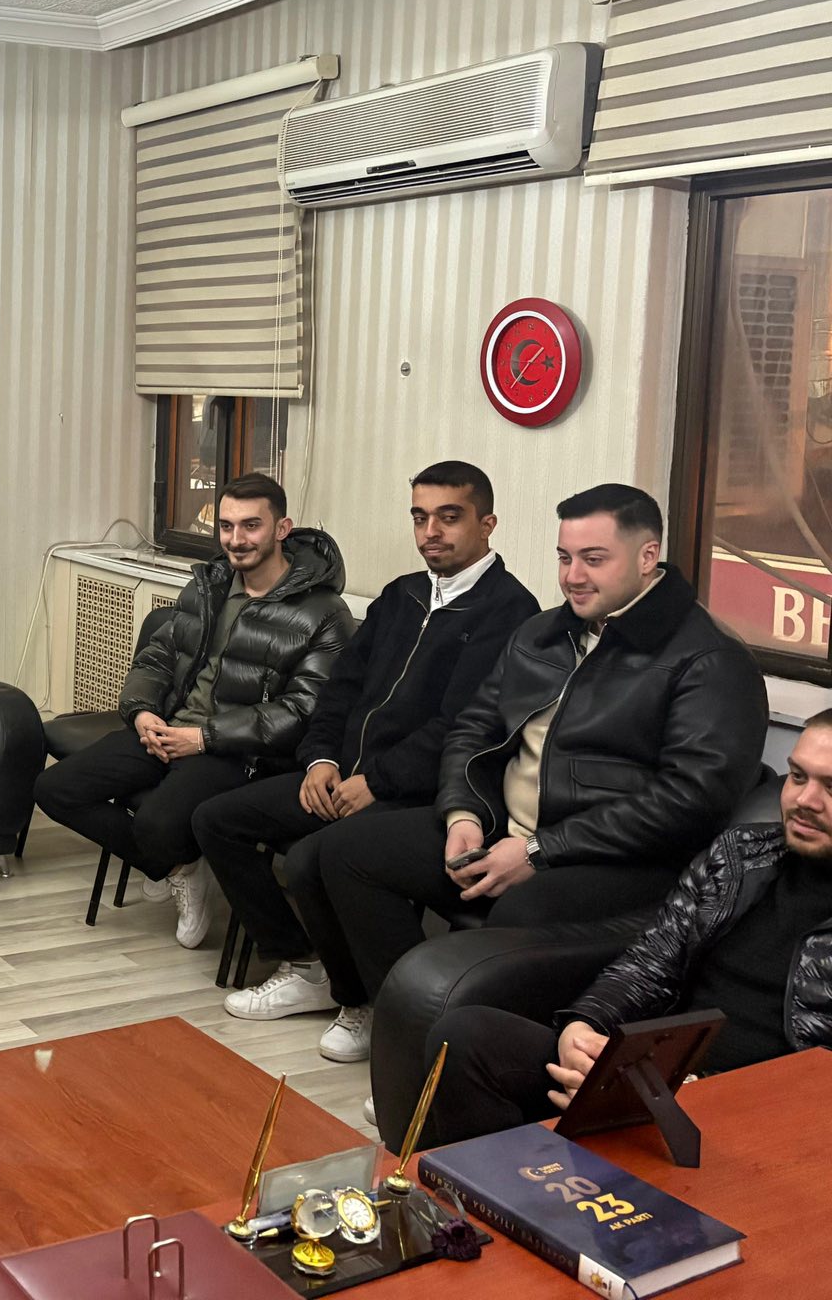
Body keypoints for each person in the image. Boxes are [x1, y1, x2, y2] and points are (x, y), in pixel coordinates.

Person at [315, 483, 768, 1016]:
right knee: (346, 851)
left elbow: (692, 799)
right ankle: (408, 1021)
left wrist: (540, 850)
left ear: (648, 557)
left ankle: (459, 1037)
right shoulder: (541, 634)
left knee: (518, 911)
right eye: (564, 557)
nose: (572, 576)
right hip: (507, 830)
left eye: (594, 559)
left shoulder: (710, 659)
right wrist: (463, 813)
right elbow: (471, 730)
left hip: (616, 859)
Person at [196, 462, 538, 1064]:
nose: (431, 531)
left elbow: (460, 726)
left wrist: (375, 782)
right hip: (340, 775)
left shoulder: (510, 611)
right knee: (217, 820)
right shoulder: (401, 595)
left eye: (449, 517)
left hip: (414, 793)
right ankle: (308, 965)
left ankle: (368, 1004)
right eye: (420, 517)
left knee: (311, 859)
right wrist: (320, 760)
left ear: (487, 524)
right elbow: (341, 690)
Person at [418, 710, 832, 1148]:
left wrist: (682, 1098)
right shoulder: (740, 854)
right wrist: (584, 1027)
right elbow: (650, 963)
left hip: (764, 1120)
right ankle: (505, 1190)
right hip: (657, 1075)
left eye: (831, 787)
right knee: (465, 1038)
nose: (805, 800)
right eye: (797, 776)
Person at [35, 473, 352, 948]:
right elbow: (157, 659)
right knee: (55, 788)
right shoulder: (209, 585)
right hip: (169, 728)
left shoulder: (324, 613)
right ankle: (182, 866)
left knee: (156, 825)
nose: (236, 539)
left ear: (282, 529)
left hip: (235, 751)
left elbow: (303, 712)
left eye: (251, 526)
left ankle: (176, 854)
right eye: (226, 526)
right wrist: (143, 713)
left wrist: (204, 738)